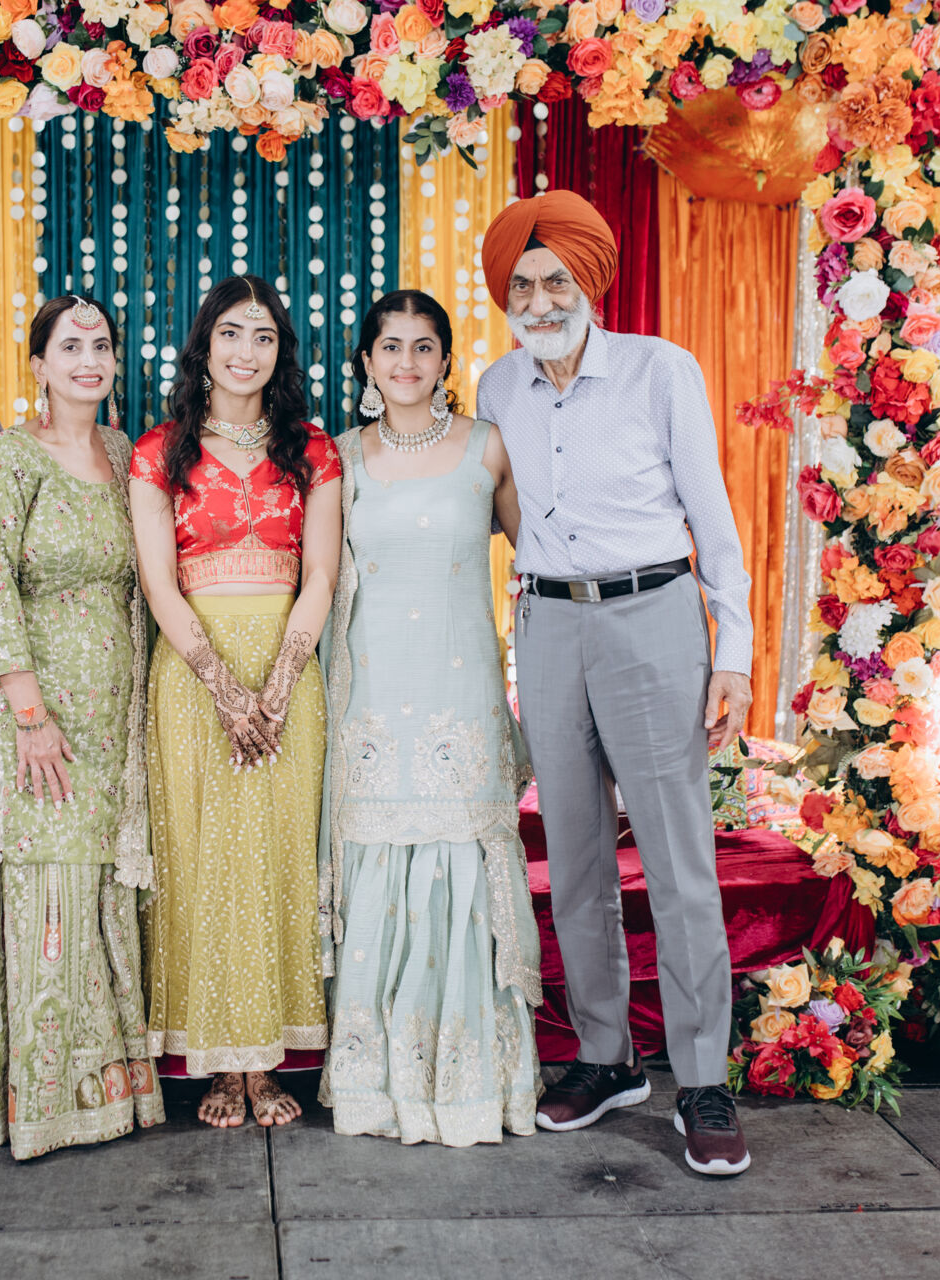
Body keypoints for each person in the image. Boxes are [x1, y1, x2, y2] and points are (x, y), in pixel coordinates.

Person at [475, 191, 756, 1177]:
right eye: (522, 285)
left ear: (589, 281)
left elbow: (714, 520)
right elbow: (494, 510)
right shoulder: (497, 386)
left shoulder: (659, 369)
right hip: (548, 624)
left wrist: (734, 655)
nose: (540, 300)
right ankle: (606, 1056)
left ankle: (703, 1078)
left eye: (556, 280)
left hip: (653, 615)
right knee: (577, 857)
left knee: (679, 858)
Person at [0, 295, 165, 1159]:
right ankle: (42, 1098)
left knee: (102, 877)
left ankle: (112, 1091)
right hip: (44, 711)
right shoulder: (8, 458)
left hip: (118, 709)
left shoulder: (126, 453)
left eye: (100, 345)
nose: (88, 360)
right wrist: (30, 717)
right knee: (48, 876)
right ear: (38, 365)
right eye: (70, 346)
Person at [318, 290, 543, 1146]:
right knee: (378, 870)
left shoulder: (487, 447)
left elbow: (540, 560)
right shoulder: (340, 458)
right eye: (391, 347)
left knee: (458, 868)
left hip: (460, 699)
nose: (407, 362)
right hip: (372, 701)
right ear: (366, 363)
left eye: (423, 347)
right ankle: (377, 1083)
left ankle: (473, 1083)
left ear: (447, 361)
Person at [128, 275, 342, 1129]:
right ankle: (218, 1064)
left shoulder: (313, 450)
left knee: (278, 858)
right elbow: (158, 582)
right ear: (204, 345)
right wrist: (223, 688)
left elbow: (320, 574)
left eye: (263, 336)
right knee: (202, 860)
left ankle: (266, 1061)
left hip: (288, 669)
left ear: (280, 352)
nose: (246, 351)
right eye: (230, 333)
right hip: (193, 676)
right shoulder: (159, 451)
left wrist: (278, 687)